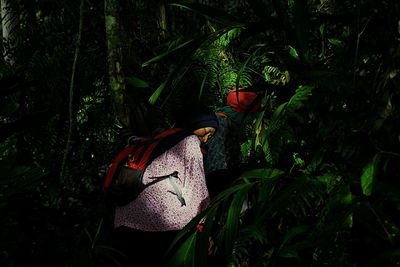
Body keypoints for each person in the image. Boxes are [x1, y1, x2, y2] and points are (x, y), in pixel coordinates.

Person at [109, 105, 219, 267]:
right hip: (162, 224)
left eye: (211, 134)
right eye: (206, 131)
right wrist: (205, 227)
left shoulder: (159, 140)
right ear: (195, 124)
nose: (207, 138)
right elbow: (196, 191)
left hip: (125, 219)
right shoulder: (189, 141)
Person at [204, 88, 262, 198]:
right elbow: (216, 166)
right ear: (242, 114)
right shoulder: (219, 124)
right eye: (252, 117)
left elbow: (235, 159)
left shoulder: (231, 124)